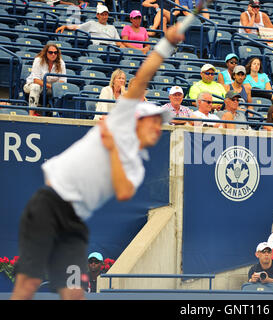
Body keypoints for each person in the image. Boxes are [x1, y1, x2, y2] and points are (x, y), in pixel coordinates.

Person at [10, 22, 184, 300]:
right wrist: (166, 44)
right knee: (28, 285)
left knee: (75, 292)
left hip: (73, 219)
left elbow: (124, 190)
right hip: (49, 203)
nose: (157, 128)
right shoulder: (118, 120)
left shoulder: (135, 165)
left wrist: (113, 150)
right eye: (153, 122)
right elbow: (142, 77)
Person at [23, 43, 67, 116]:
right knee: (35, 87)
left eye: (55, 53)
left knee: (62, 90)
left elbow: (62, 80)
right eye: (50, 52)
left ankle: (57, 114)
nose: (53, 54)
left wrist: (54, 87)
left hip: (50, 88)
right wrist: (51, 86)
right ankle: (31, 114)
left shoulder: (61, 62)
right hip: (31, 85)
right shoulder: (38, 60)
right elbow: (36, 80)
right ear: (46, 52)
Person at [55, 4, 124, 47]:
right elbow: (77, 27)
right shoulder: (91, 23)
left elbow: (119, 43)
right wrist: (66, 26)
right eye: (102, 14)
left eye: (106, 15)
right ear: (97, 15)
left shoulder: (112, 27)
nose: (104, 17)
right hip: (98, 47)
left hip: (112, 48)